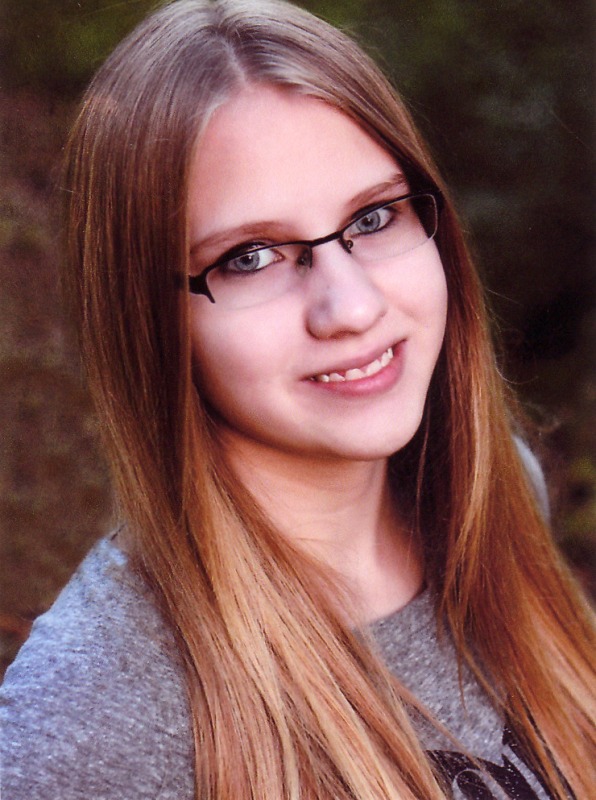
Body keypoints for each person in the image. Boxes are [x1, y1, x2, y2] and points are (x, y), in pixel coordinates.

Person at [1, 1, 594, 798]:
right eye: (250, 257)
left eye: (373, 217)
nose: (351, 307)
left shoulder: (493, 501)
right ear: (144, 316)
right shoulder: (97, 711)